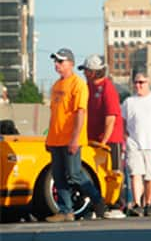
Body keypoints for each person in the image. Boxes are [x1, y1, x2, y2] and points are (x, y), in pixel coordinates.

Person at [44, 48, 111, 222]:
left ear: (71, 64)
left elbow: (80, 113)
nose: (57, 65)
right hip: (56, 138)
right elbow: (54, 114)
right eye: (56, 62)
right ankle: (66, 211)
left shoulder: (78, 84)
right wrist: (48, 137)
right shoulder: (56, 85)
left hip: (71, 138)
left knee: (74, 174)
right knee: (58, 175)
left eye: (61, 61)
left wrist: (75, 138)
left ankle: (98, 200)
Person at [79, 54, 127, 218]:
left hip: (110, 139)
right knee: (95, 172)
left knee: (113, 172)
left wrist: (104, 141)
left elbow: (111, 117)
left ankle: (116, 205)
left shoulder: (107, 87)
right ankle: (97, 205)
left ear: (95, 71)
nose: (84, 73)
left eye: (87, 70)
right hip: (92, 139)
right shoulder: (87, 87)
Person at [121, 71, 151, 217]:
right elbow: (122, 122)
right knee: (135, 173)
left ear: (148, 82)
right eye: (136, 82)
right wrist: (125, 137)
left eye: (141, 82)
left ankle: (148, 203)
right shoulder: (129, 102)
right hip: (134, 143)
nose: (138, 85)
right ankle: (137, 203)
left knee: (149, 176)